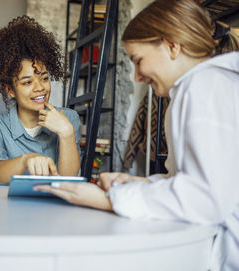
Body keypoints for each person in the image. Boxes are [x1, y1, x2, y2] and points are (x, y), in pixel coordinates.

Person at [34, 0, 239, 270]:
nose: (138, 76)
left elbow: (206, 200)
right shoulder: (197, 90)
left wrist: (109, 200)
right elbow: (200, 181)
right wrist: (138, 184)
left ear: (171, 46)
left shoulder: (204, 88)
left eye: (138, 61)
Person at [0, 16, 81, 185]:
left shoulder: (68, 118)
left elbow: (70, 181)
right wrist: (25, 160)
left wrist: (66, 133)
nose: (39, 88)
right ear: (10, 90)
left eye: (44, 78)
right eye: (27, 82)